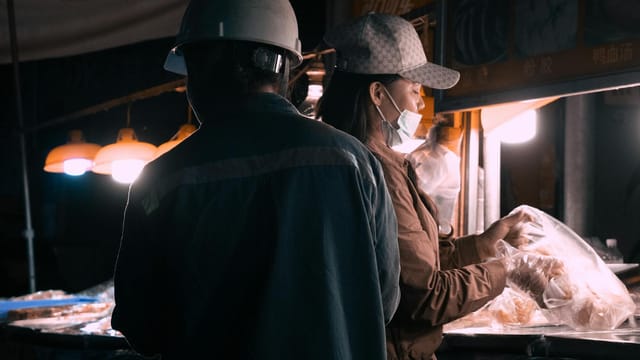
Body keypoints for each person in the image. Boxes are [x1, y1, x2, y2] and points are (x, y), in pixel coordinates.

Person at [111, 2, 401, 359]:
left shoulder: (161, 180)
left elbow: (141, 327)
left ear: (202, 70)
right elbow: (383, 300)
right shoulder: (353, 161)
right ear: (283, 69)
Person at [319, 13, 533, 359]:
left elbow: (413, 266)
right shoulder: (374, 172)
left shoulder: (370, 160)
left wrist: (483, 244)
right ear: (377, 94)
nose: (421, 103)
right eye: (415, 89)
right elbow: (424, 297)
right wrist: (509, 271)